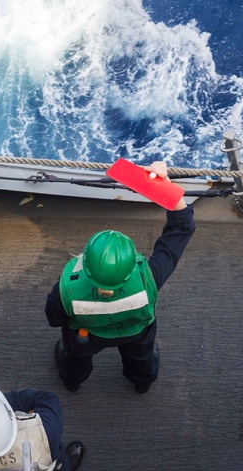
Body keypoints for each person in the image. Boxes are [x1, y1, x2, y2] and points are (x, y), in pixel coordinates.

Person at [46, 161, 196, 393]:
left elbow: (54, 317)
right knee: (141, 356)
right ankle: (142, 382)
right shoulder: (149, 277)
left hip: (87, 335)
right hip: (136, 331)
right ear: (133, 264)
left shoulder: (69, 286)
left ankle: (72, 381)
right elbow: (181, 230)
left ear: (85, 264)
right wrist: (165, 186)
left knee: (75, 356)